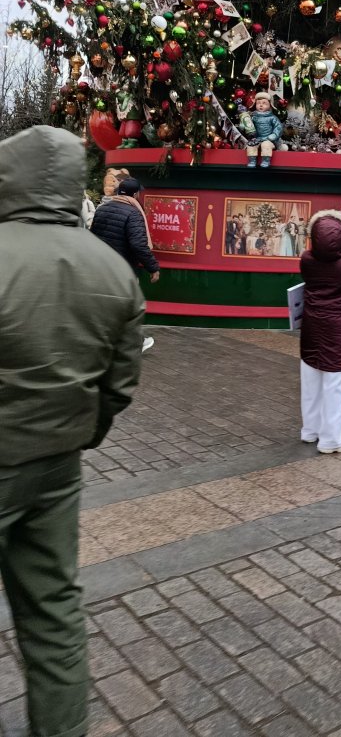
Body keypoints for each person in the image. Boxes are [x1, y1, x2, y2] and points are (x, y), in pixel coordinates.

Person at [0, 125, 143, 737]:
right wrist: (85, 432)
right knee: (54, 610)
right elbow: (119, 382)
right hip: (57, 465)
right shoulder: (112, 273)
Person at [299, 209, 341, 454]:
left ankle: (310, 431)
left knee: (311, 381)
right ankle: (332, 440)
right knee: (334, 386)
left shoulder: (307, 259)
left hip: (311, 328)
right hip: (338, 332)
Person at [91, 177, 159, 353]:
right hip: (123, 270)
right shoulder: (133, 213)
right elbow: (138, 244)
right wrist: (153, 267)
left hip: (102, 268)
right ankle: (136, 341)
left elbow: (93, 237)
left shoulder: (102, 209)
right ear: (135, 194)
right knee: (127, 308)